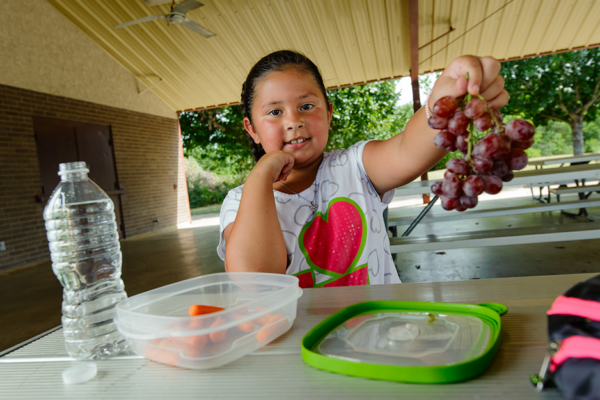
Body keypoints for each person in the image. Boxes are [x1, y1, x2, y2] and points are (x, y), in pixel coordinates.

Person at [217, 50, 508, 288]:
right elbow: (255, 280)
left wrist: (444, 102)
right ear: (252, 129)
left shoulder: (355, 166)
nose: (294, 121)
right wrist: (260, 175)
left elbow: (408, 150)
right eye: (275, 112)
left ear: (329, 113)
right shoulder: (239, 202)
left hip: (383, 338)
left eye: (306, 106)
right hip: (299, 352)